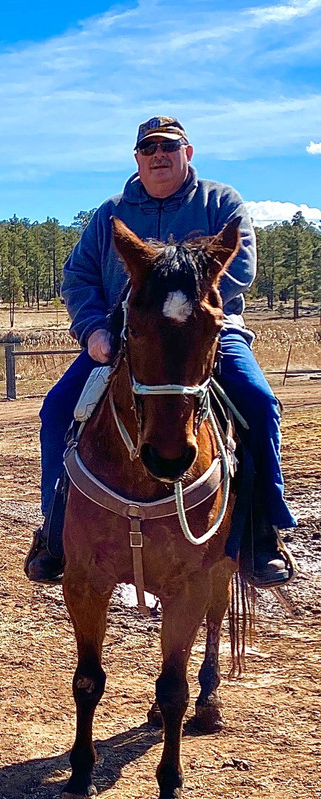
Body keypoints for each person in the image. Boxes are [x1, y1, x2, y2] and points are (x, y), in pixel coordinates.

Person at [26, 116, 296, 589]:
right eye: (148, 148)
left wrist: (180, 298)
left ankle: (263, 533)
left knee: (258, 403)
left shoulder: (220, 202)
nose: (158, 156)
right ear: (137, 159)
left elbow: (240, 268)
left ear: (186, 153)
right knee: (56, 411)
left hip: (205, 332)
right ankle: (55, 530)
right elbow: (78, 277)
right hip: (126, 335)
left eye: (168, 147)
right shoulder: (110, 214)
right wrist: (93, 331)